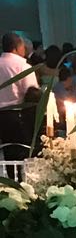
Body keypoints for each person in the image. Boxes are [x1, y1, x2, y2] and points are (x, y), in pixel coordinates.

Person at [0, 32, 39, 160]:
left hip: (1, 115)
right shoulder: (23, 66)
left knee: (7, 152)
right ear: (16, 48)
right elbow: (31, 92)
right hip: (18, 115)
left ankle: (9, 172)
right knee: (22, 151)